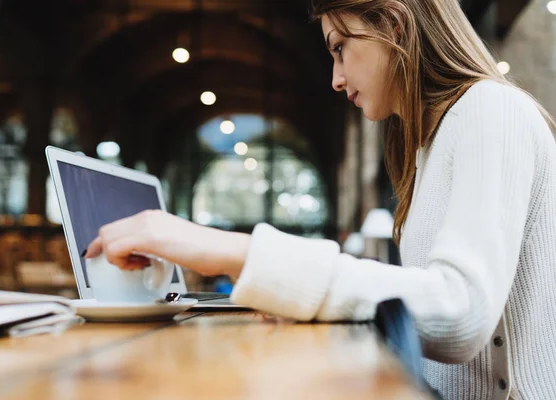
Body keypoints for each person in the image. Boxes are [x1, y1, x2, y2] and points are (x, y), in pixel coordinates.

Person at [85, 0, 556, 398]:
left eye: (340, 49)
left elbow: (460, 315)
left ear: (393, 25)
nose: (335, 77)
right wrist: (298, 292)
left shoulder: (490, 109)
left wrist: (236, 251)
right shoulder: (427, 147)